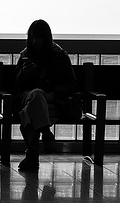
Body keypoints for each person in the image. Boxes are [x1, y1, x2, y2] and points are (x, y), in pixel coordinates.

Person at [12, 18, 79, 172]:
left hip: (50, 102)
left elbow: (70, 85)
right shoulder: (26, 56)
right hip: (32, 98)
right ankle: (46, 132)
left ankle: (32, 156)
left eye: (38, 37)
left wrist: (52, 94)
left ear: (46, 38)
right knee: (36, 94)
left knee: (28, 113)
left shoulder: (59, 56)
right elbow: (16, 86)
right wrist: (24, 73)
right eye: (32, 38)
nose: (34, 41)